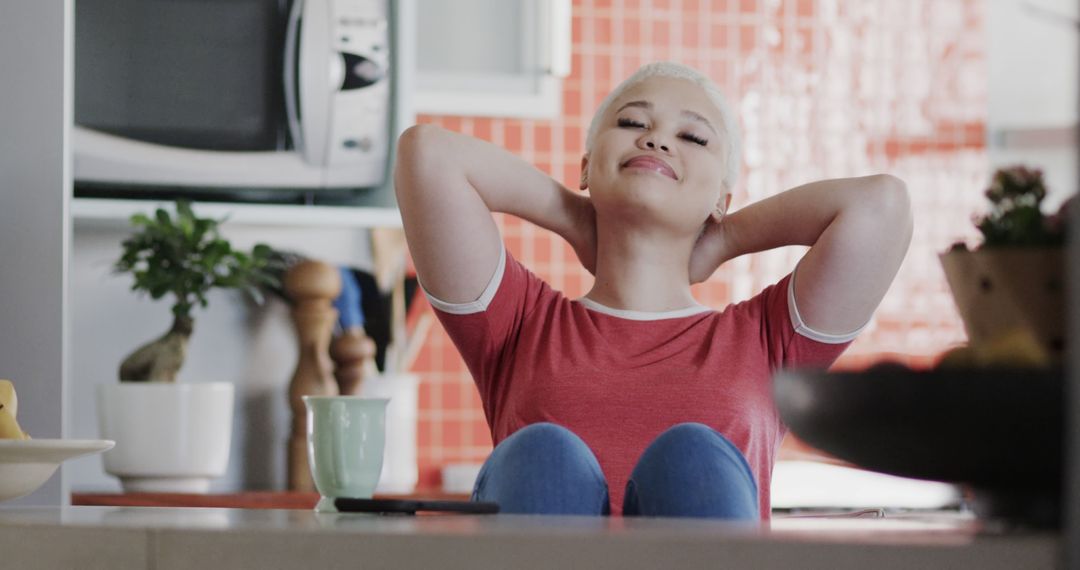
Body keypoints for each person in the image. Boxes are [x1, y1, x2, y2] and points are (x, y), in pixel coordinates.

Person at [393, 62, 913, 522]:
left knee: (691, 456)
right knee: (545, 453)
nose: (657, 140)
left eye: (693, 138)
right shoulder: (520, 321)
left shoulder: (764, 338)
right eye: (633, 123)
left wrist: (724, 239)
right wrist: (575, 218)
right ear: (586, 166)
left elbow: (880, 206)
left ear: (721, 197)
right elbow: (426, 155)